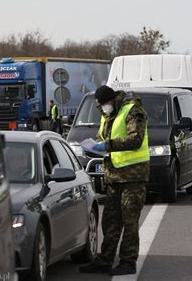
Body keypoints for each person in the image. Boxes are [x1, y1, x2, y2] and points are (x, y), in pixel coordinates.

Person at [80, 85, 149, 276]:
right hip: (114, 176)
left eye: (104, 104)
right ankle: (105, 260)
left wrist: (107, 145)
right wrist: (93, 145)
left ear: (111, 100)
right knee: (110, 221)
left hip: (133, 177)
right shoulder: (107, 115)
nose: (102, 108)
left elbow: (136, 139)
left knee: (129, 221)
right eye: (100, 106)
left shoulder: (133, 111)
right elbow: (103, 137)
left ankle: (128, 262)